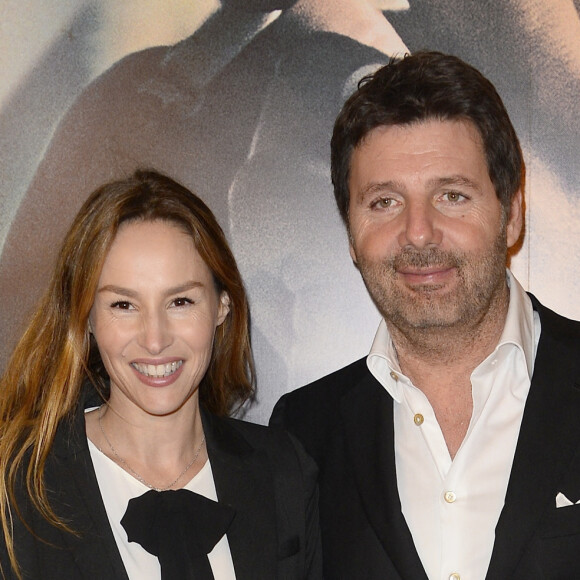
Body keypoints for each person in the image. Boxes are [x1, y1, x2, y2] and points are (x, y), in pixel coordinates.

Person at [270, 51, 580, 579]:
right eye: (385, 202)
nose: (418, 232)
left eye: (452, 195)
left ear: (512, 215)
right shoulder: (303, 433)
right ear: (351, 233)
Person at [0, 170, 322, 579]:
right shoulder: (18, 484)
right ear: (87, 318)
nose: (155, 340)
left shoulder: (283, 471)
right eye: (123, 305)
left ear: (222, 305)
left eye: (180, 301)